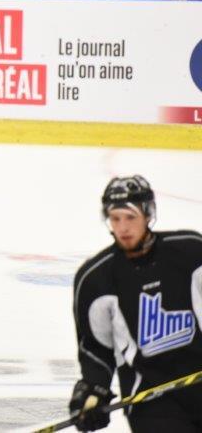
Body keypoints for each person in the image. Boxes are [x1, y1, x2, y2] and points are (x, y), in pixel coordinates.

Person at [70, 175, 202, 432]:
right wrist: (93, 389)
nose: (123, 228)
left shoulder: (191, 252)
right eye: (115, 218)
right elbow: (95, 349)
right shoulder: (96, 279)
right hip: (151, 399)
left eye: (130, 218)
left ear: (148, 214)